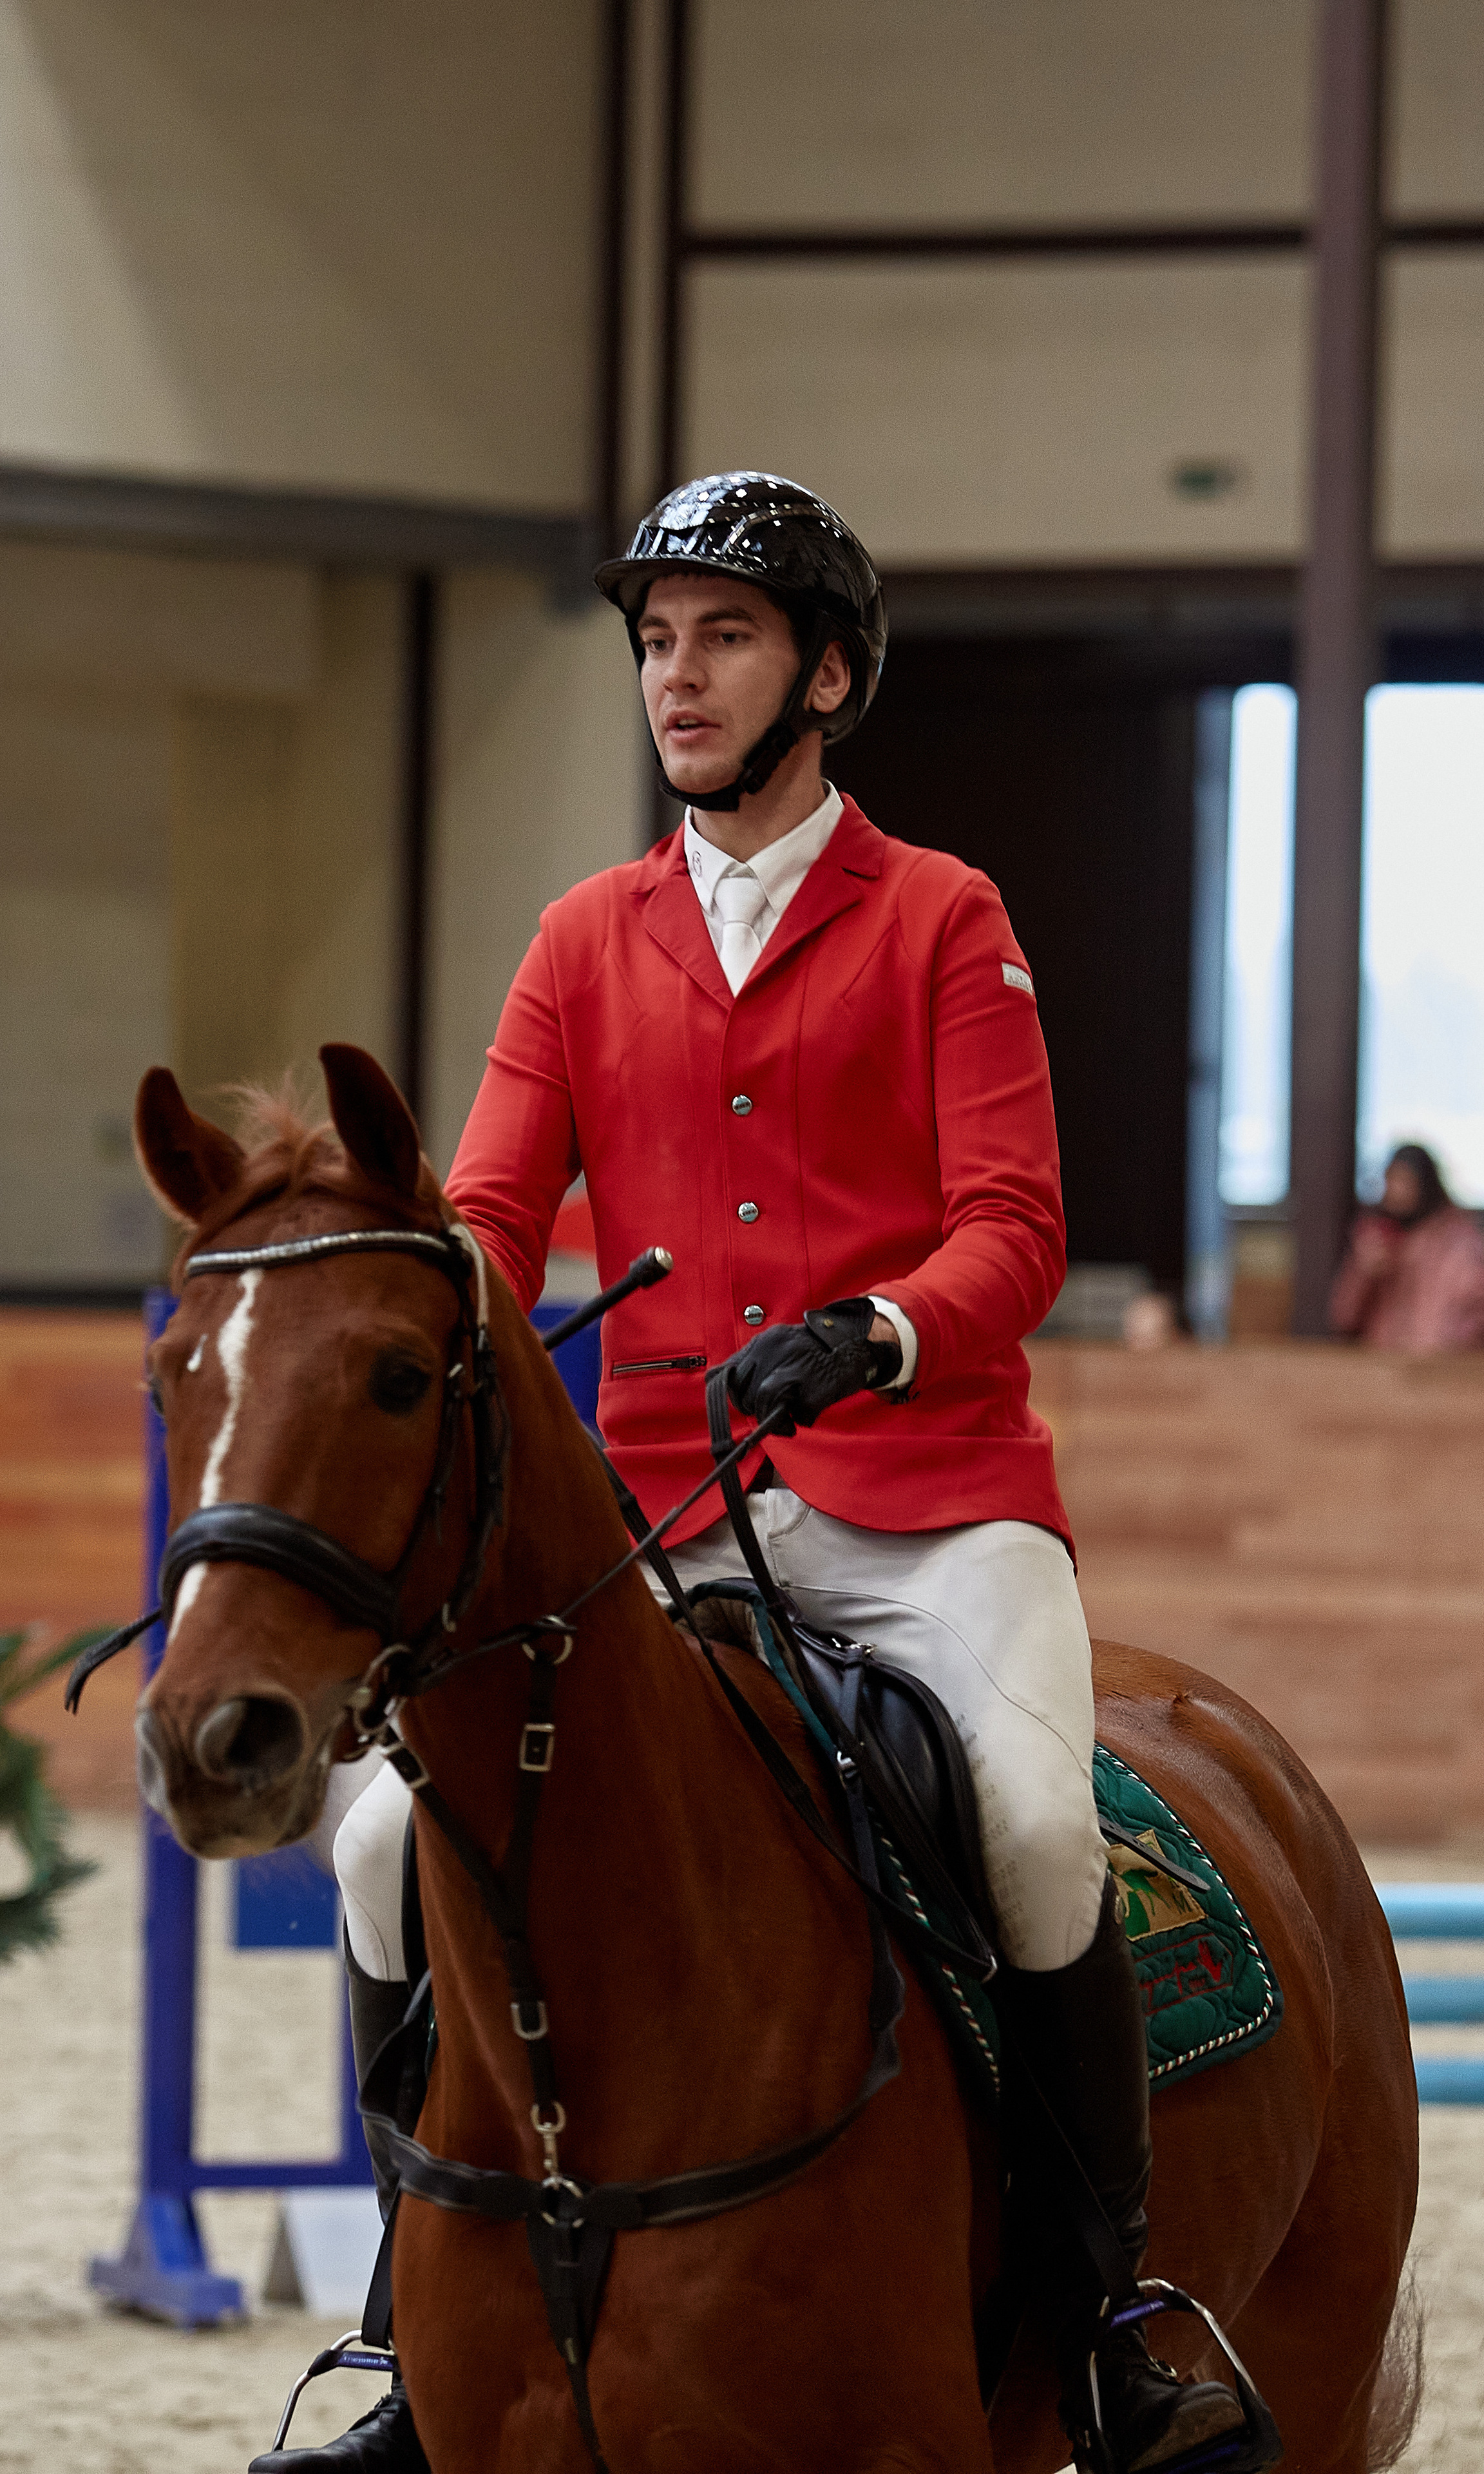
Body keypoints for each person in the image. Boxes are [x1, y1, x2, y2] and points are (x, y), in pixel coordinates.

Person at [258, 474, 1256, 2474]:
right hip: (647, 1510)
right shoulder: (579, 936)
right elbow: (486, 1212)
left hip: (921, 1493)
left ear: (825, 672)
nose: (674, 675)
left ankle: (1104, 2315)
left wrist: (876, 1325)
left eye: (720, 635)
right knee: (378, 1843)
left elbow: (1011, 1222)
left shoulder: (943, 916)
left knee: (1037, 1826)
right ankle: (408, 2313)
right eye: (653, 639)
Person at [1330, 1142, 1484, 1352]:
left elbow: (1474, 1314)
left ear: (1425, 1184)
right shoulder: (1377, 1240)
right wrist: (1364, 1273)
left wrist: (1447, 1355)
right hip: (1382, 1369)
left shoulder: (1461, 1243)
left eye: (1405, 1181)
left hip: (1440, 1370)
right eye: (1391, 1181)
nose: (1397, 1191)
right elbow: (1344, 1318)